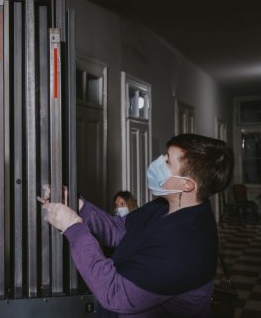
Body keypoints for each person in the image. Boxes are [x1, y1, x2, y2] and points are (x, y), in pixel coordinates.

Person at [42, 134, 233, 317]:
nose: (159, 163)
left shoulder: (188, 245)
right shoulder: (164, 206)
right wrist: (78, 206)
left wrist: (74, 228)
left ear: (187, 185)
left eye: (167, 162)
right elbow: (118, 229)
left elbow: (115, 292)